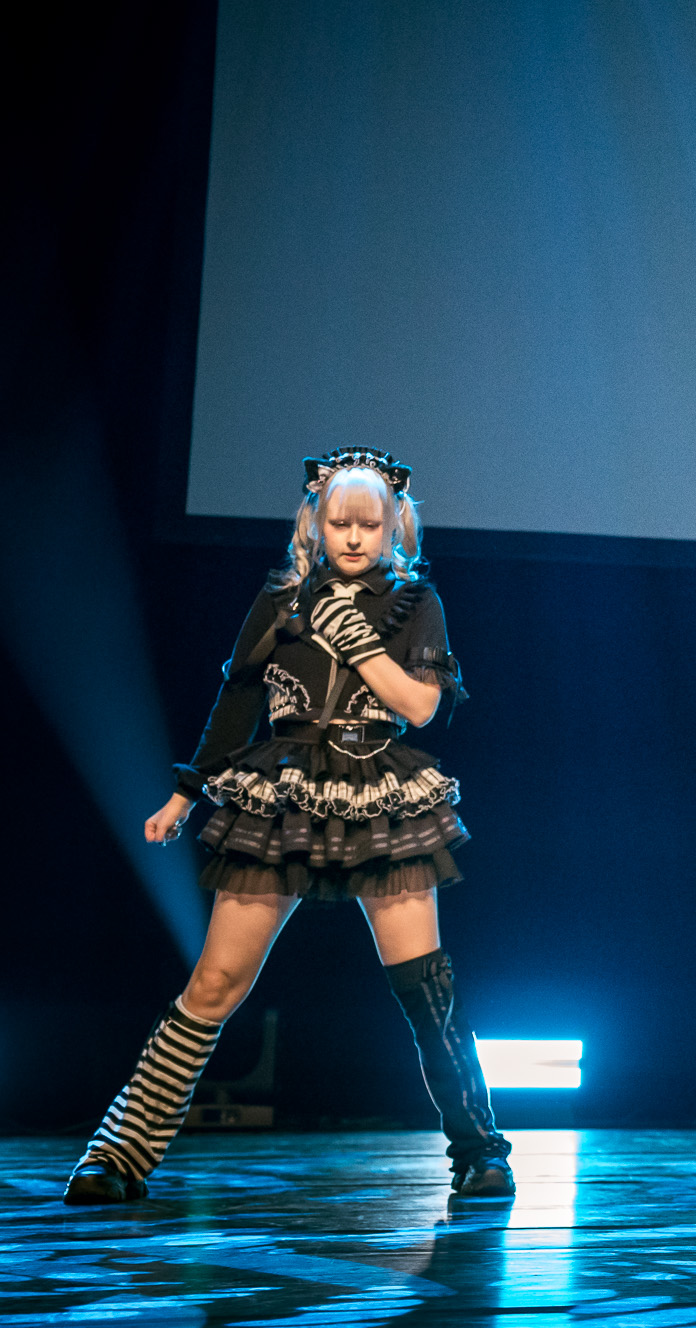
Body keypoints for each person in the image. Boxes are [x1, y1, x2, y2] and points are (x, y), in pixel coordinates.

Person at [65, 447, 511, 1205]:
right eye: (340, 522)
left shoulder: (417, 602)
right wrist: (186, 792)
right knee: (215, 981)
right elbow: (238, 700)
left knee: (424, 985)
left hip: (379, 789)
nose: (354, 536)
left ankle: (479, 1152)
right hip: (283, 790)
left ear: (393, 527)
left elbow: (422, 706)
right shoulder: (282, 599)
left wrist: (359, 640)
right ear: (316, 523)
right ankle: (118, 1153)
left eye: (369, 524)